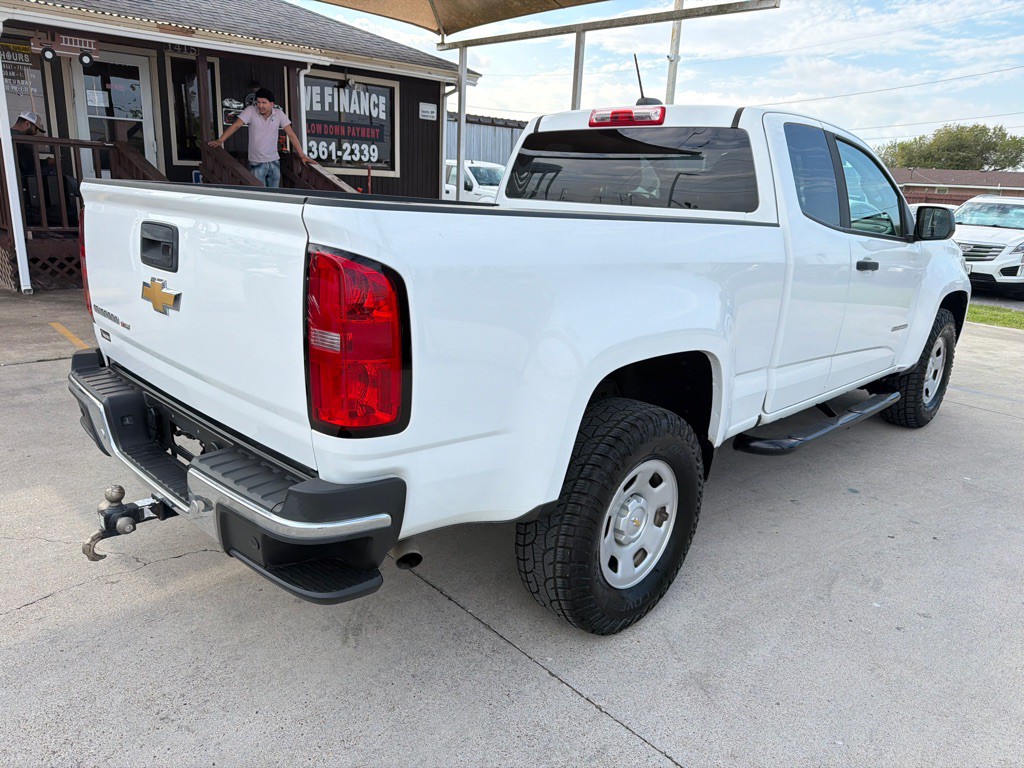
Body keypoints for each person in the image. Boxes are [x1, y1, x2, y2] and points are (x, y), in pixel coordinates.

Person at [208, 88, 310, 188]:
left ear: (272, 104)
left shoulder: (279, 114)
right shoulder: (251, 111)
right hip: (256, 162)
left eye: (264, 103)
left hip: (274, 161)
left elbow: (291, 134)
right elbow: (236, 126)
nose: (260, 105)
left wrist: (302, 155)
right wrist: (221, 140)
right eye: (258, 102)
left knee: (274, 196)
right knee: (260, 196)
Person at [10, 110, 46, 178]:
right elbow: (29, 166)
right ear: (27, 124)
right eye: (35, 129)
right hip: (17, 180)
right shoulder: (24, 140)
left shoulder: (5, 134)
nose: (36, 132)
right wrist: (46, 163)